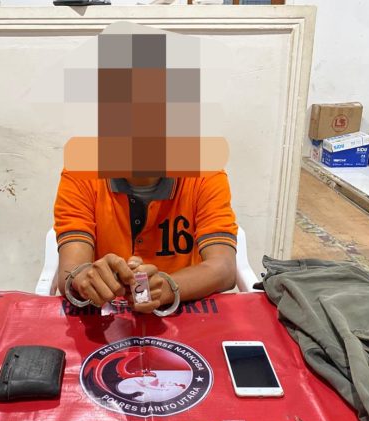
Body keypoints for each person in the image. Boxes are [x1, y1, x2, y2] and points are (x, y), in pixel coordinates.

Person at [53, 24, 237, 315]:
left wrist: (168, 286)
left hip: (182, 313)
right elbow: (70, 268)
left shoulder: (205, 172)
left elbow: (224, 267)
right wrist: (85, 278)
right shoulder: (82, 171)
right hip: (104, 315)